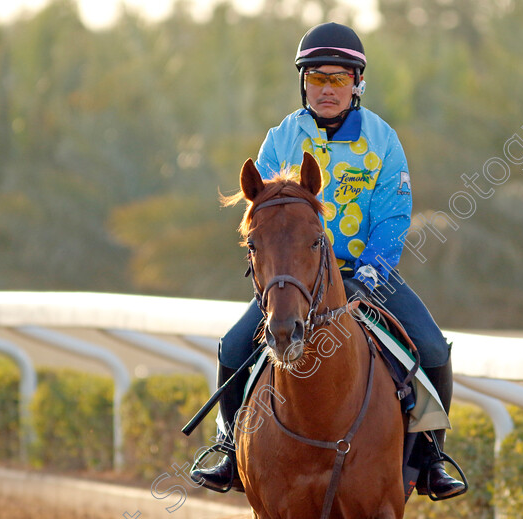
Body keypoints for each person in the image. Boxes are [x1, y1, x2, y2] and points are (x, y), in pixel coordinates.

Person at [191, 22, 465, 500]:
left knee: (433, 350)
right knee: (231, 349)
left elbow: (394, 214)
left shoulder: (383, 141)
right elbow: (263, 216)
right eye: (317, 78)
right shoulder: (280, 139)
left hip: (367, 277)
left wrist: (374, 271)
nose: (327, 89)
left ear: (357, 83)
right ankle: (229, 449)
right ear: (304, 83)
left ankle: (431, 459)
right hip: (293, 280)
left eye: (338, 79)